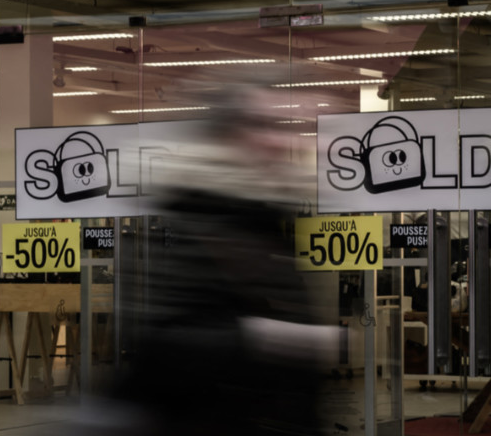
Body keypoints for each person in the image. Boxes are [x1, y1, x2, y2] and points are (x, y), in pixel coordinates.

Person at [103, 76, 330, 436]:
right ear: (227, 136)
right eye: (261, 125)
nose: (278, 141)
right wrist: (268, 337)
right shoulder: (203, 216)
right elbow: (169, 347)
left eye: (284, 127)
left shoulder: (262, 219)